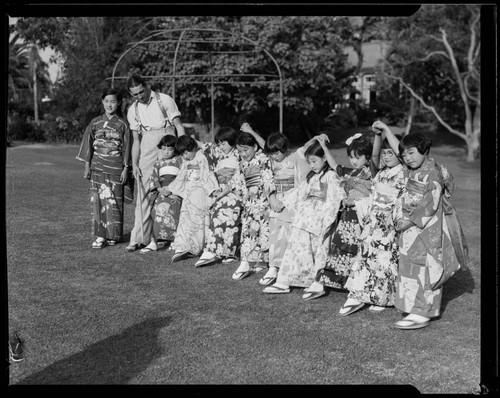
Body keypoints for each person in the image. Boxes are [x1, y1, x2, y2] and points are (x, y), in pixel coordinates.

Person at [383, 124, 469, 330]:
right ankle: (414, 308)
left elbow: (430, 204)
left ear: (424, 150)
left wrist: (409, 222)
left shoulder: (432, 172)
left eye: (412, 153)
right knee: (409, 266)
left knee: (426, 268)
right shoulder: (413, 168)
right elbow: (398, 149)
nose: (407, 158)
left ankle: (424, 312)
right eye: (405, 155)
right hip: (410, 227)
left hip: (425, 228)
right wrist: (386, 129)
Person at [338, 121, 406, 316]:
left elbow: (400, 152)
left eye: (390, 152)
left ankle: (383, 298)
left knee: (385, 261)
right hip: (373, 218)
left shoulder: (404, 172)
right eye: (385, 153)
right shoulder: (381, 172)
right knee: (367, 257)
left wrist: (386, 129)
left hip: (389, 221)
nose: (386, 156)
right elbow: (375, 156)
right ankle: (360, 293)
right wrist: (378, 135)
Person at [262, 140, 345, 294]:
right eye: (309, 162)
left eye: (314, 161)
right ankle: (284, 281)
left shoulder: (331, 176)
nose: (311, 165)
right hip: (304, 219)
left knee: (318, 253)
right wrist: (281, 202)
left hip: (319, 220)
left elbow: (334, 200)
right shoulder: (312, 177)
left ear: (324, 158)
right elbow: (298, 192)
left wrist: (327, 221)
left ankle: (317, 282)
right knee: (296, 250)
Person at [303, 132, 378, 300]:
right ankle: (327, 280)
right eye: (351, 157)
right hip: (347, 217)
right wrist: (324, 148)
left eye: (357, 157)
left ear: (367, 157)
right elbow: (334, 165)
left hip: (362, 217)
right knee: (339, 247)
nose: (353, 161)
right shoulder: (350, 172)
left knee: (359, 251)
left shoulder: (373, 173)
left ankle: (357, 283)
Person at [125, 74, 186, 252]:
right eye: (135, 94)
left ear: (146, 85)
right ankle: (139, 237)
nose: (139, 96)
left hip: (169, 144)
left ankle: (178, 236)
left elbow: (179, 126)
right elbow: (136, 140)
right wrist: (134, 164)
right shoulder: (132, 110)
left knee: (176, 190)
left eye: (141, 92)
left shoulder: (164, 100)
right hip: (147, 148)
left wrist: (184, 151)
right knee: (144, 193)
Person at [194, 125, 265, 267]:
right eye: (219, 143)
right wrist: (191, 139)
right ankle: (217, 249)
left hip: (237, 191)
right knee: (216, 206)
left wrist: (251, 131)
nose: (221, 146)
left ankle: (223, 251)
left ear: (232, 142)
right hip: (222, 190)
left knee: (227, 207)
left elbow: (265, 148)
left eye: (224, 143)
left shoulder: (240, 153)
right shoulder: (219, 154)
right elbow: (203, 145)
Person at [76, 87, 132, 249]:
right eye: (106, 101)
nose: (109, 105)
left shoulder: (122, 124)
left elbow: (127, 147)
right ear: (102, 102)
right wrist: (87, 166)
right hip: (97, 166)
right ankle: (101, 235)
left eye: (113, 101)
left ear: (119, 103)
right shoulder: (95, 122)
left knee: (115, 202)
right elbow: (88, 144)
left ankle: (114, 235)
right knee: (98, 201)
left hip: (115, 166)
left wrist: (125, 168)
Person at [257, 129, 314, 286]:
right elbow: (268, 180)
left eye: (276, 153)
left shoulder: (296, 156)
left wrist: (317, 137)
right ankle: (273, 266)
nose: (274, 156)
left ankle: (286, 268)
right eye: (272, 154)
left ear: (284, 148)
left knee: (289, 235)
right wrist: (272, 198)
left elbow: (305, 148)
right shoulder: (272, 161)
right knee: (275, 234)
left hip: (292, 200)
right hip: (277, 199)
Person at [230, 132, 276, 280]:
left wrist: (271, 198)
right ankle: (245, 262)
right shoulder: (242, 163)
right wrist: (241, 197)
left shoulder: (263, 158)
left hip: (263, 200)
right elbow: (239, 182)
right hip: (249, 202)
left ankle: (268, 263)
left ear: (255, 147)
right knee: (249, 232)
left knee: (265, 232)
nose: (243, 154)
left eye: (246, 150)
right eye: (240, 151)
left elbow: (268, 178)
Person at [166, 135, 219, 262]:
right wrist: (171, 187)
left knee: (198, 220)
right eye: (182, 154)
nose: (185, 156)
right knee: (185, 218)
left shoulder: (202, 157)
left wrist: (212, 190)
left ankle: (196, 247)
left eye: (186, 153)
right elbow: (182, 175)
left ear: (193, 148)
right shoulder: (187, 161)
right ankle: (182, 245)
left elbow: (207, 174)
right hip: (189, 191)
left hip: (200, 191)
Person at [140, 135, 183, 254]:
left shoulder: (180, 161)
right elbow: (153, 178)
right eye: (164, 149)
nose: (166, 152)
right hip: (161, 192)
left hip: (175, 192)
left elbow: (182, 177)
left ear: (175, 149)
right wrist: (159, 188)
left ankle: (175, 240)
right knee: (156, 214)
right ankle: (154, 241)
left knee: (175, 214)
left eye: (170, 149)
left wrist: (171, 188)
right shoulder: (157, 163)